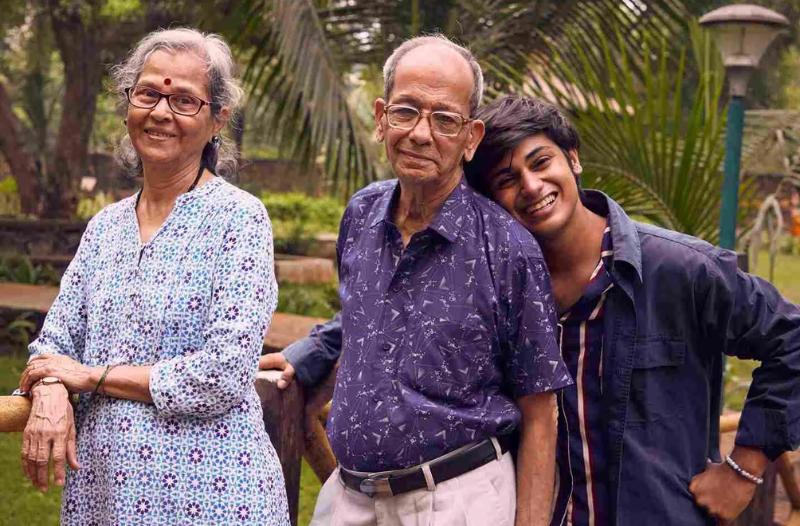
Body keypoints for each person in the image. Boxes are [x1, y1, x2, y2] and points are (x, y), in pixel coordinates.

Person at [264, 94, 800, 526]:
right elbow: (385, 310)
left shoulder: (678, 270)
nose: (531, 187)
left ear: (573, 159)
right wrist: (310, 354)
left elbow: (791, 337)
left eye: (541, 162)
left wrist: (746, 466)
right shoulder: (493, 273)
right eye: (505, 180)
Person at [268, 35, 572, 526]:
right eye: (406, 111)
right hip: (348, 496)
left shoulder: (510, 250)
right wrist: (308, 356)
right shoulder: (361, 214)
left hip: (456, 502)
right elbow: (366, 316)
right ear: (381, 117)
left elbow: (540, 412)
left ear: (471, 138)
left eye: (444, 120)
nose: (420, 134)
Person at [18, 28, 290, 525]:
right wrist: (54, 386)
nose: (161, 112)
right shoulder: (105, 228)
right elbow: (53, 344)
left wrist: (91, 376)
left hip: (212, 497)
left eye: (185, 100)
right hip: (104, 498)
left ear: (217, 121)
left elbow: (223, 374)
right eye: (148, 94)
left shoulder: (239, 219)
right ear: (127, 106)